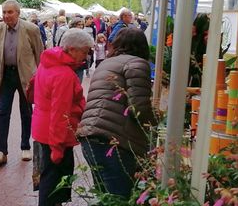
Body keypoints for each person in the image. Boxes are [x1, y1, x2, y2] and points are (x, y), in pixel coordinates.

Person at [77, 27, 157, 200]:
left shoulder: (106, 63)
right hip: (113, 141)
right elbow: (139, 108)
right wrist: (156, 122)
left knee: (105, 197)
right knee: (118, 198)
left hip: (90, 137)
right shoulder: (137, 64)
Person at [32, 28, 88, 206]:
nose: (85, 57)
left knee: (49, 176)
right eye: (84, 51)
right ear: (72, 49)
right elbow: (60, 113)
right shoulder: (64, 74)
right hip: (55, 134)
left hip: (43, 127)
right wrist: (57, 146)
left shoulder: (47, 62)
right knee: (53, 181)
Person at [0, 0, 44, 165]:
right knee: (3, 112)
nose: (6, 15)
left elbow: (40, 54)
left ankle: (25, 146)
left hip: (26, 77)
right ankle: (1, 150)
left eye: (10, 12)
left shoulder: (31, 29)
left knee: (26, 111)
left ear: (18, 13)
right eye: (4, 12)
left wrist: (39, 77)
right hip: (6, 75)